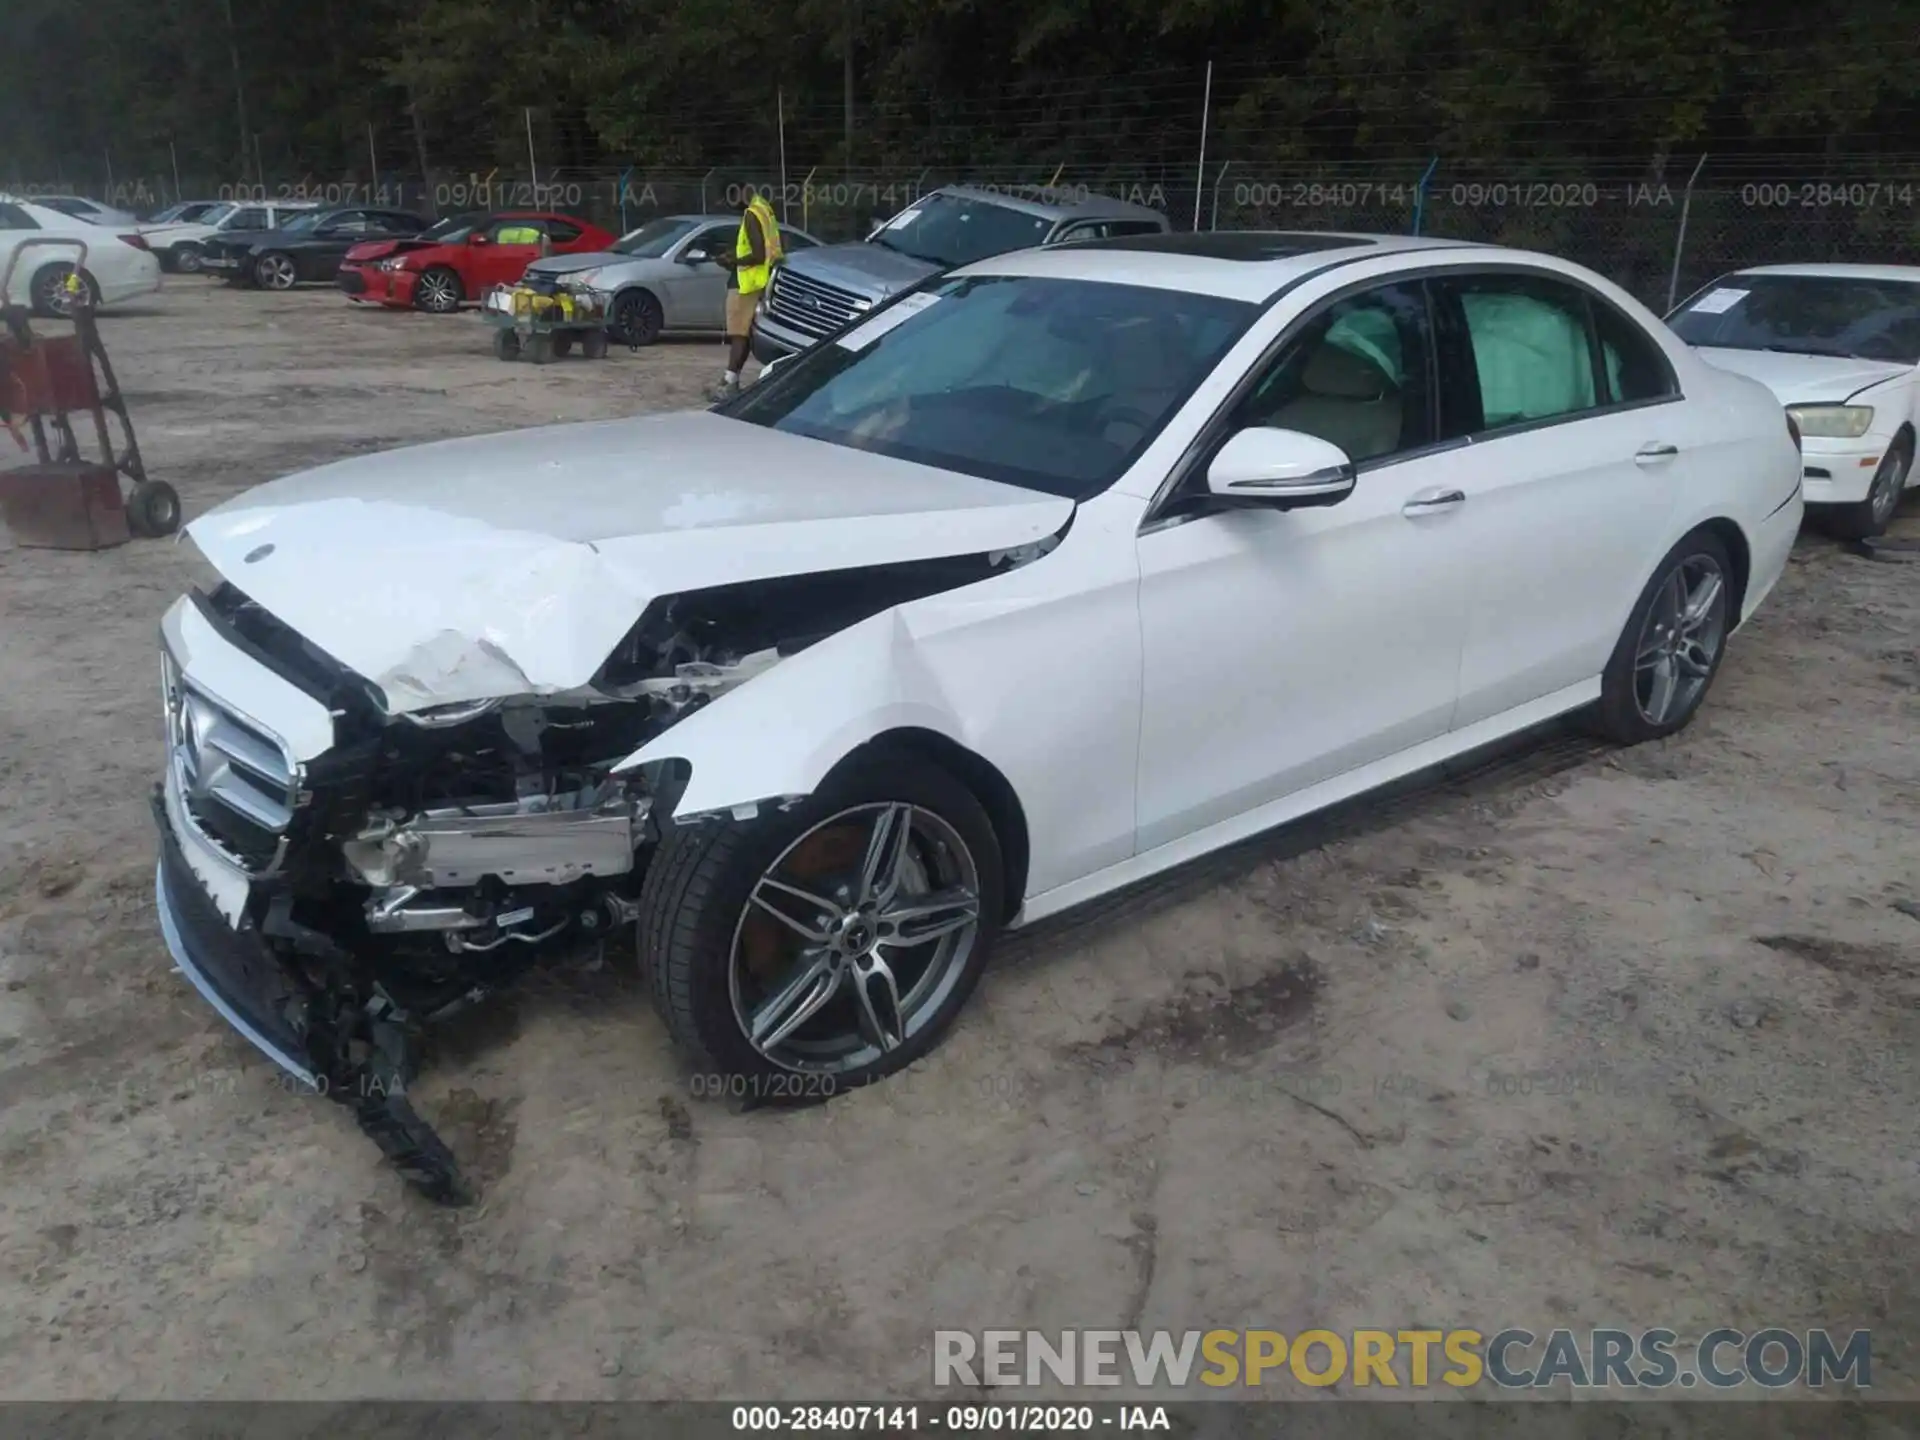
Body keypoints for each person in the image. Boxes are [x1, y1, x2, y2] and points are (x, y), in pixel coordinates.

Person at [710, 187, 783, 401]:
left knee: (739, 335)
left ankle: (728, 384)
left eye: (731, 198)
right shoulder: (763, 209)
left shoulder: (752, 213)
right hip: (757, 280)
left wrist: (732, 261)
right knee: (742, 335)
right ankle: (729, 381)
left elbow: (758, 254)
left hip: (746, 283)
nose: (730, 205)